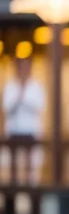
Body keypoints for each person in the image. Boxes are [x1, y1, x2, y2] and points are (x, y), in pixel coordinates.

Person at [2, 56, 45, 186]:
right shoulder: (10, 86)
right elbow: (6, 107)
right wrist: (19, 96)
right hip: (14, 131)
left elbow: (39, 107)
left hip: (31, 131)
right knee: (14, 166)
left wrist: (23, 99)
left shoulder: (36, 87)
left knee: (31, 167)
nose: (23, 71)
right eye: (21, 68)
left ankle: (32, 191)